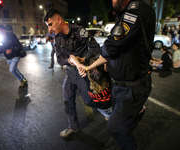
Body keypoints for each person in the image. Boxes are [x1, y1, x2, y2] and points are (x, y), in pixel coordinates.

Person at [78, 0, 155, 149]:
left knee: (115, 128)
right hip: (121, 87)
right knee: (120, 126)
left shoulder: (135, 10)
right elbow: (122, 49)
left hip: (131, 88)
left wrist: (106, 53)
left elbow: (114, 43)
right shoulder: (126, 12)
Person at [43, 8, 100, 138]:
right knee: (67, 102)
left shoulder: (79, 31)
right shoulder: (57, 38)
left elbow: (95, 48)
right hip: (69, 73)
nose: (50, 29)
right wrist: (69, 60)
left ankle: (109, 112)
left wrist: (83, 59)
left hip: (83, 72)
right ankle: (73, 127)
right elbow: (59, 59)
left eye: (50, 24)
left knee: (89, 101)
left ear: (59, 20)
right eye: (48, 26)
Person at [70, 55, 112, 121]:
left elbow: (72, 58)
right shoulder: (108, 76)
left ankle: (108, 117)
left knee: (108, 116)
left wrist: (79, 65)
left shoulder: (86, 77)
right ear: (104, 69)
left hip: (100, 108)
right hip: (111, 106)